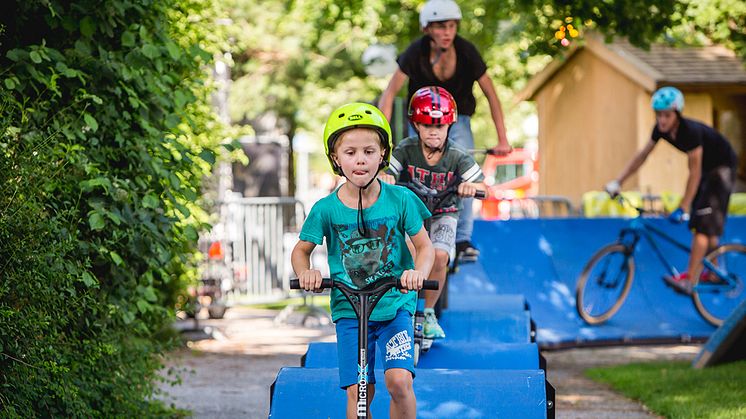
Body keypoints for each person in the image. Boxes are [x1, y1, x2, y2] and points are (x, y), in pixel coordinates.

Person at [291, 102, 435, 418]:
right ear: (335, 158)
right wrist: (308, 273)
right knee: (360, 391)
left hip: (394, 303)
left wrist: (416, 272)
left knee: (399, 381)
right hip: (349, 309)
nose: (360, 160)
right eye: (351, 152)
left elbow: (425, 247)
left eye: (369, 152)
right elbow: (301, 252)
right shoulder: (325, 209)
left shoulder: (401, 199)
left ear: (382, 155)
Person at [378, 0, 511, 263]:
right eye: (440, 27)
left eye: (451, 26)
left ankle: (461, 239)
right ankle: (407, 227)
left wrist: (503, 138)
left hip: (456, 119)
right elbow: (390, 93)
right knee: (406, 170)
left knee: (465, 173)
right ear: (427, 29)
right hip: (419, 120)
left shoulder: (467, 51)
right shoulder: (415, 52)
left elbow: (491, 94)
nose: (447, 32)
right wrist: (382, 141)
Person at [605, 86, 738, 294]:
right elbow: (642, 156)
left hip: (722, 168)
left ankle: (689, 279)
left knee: (702, 225)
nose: (662, 120)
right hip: (706, 170)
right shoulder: (660, 130)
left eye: (667, 115)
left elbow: (694, 172)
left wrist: (683, 206)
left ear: (677, 114)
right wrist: (618, 181)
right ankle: (715, 271)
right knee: (704, 221)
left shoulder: (690, 132)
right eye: (659, 115)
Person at [379, 86, 486, 339]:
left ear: (450, 125)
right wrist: (386, 177)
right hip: (413, 213)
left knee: (439, 256)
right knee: (408, 252)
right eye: (427, 126)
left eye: (439, 126)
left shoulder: (458, 155)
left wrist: (472, 187)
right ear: (416, 125)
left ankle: (428, 313)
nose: (434, 132)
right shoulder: (405, 149)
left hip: (444, 212)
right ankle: (401, 307)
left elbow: (483, 186)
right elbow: (388, 171)